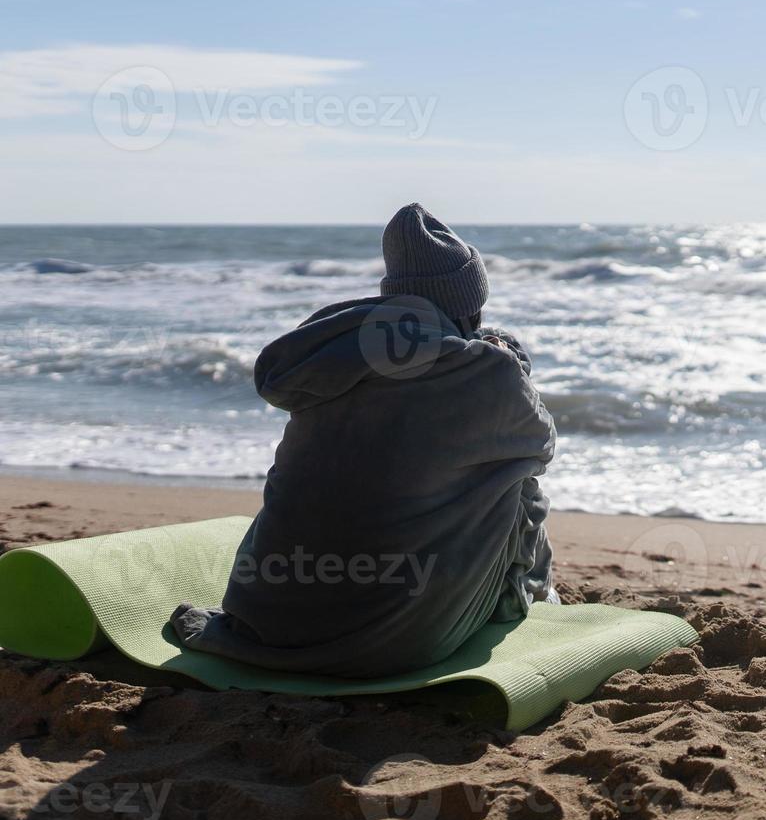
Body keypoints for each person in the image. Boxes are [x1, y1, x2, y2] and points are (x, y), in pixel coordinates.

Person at [171, 204, 557, 677]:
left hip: (269, 618)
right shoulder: (486, 372)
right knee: (520, 484)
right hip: (398, 641)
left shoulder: (337, 353)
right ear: (468, 302)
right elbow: (540, 446)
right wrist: (513, 364)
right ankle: (526, 595)